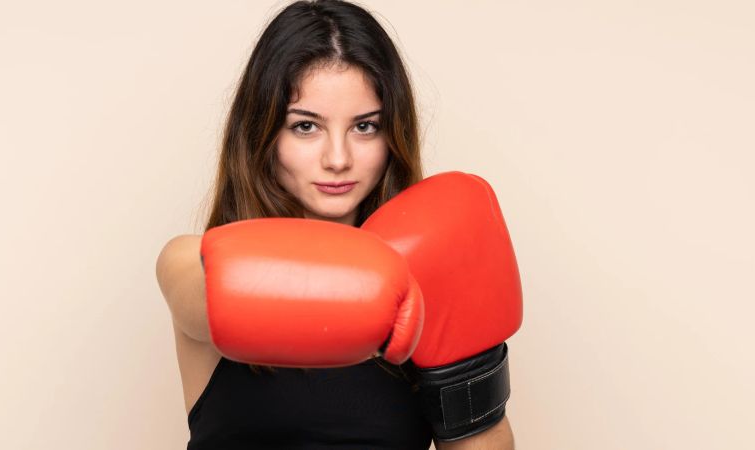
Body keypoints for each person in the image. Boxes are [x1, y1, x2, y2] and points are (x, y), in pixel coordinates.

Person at [156, 1, 516, 448]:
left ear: (392, 135)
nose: (338, 159)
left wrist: (470, 360)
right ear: (262, 134)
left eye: (364, 126)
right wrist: (370, 293)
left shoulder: (431, 268)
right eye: (306, 126)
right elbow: (207, 300)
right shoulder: (190, 260)